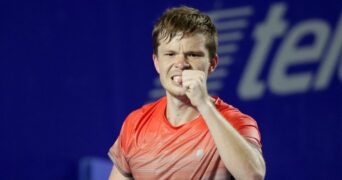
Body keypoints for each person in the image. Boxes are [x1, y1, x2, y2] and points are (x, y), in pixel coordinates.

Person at [108, 6, 266, 180]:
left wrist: (203, 104)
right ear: (157, 62)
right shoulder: (135, 124)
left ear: (212, 64)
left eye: (192, 54)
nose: (180, 63)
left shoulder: (236, 123)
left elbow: (253, 176)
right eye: (170, 54)